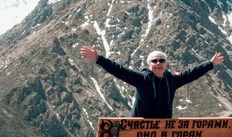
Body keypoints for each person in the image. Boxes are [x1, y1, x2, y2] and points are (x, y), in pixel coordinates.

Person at [80, 46, 224, 121]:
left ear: (166, 64)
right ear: (148, 65)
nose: (158, 63)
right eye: (154, 61)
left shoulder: (172, 80)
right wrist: (98, 59)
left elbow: (192, 73)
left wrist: (210, 64)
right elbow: (120, 71)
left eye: (161, 60)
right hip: (139, 129)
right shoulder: (143, 79)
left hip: (161, 130)